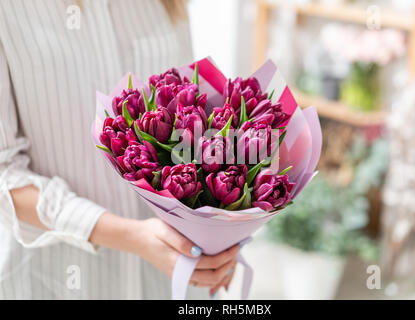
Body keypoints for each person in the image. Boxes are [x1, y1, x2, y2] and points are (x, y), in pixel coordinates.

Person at [0, 0, 238, 299]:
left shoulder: (168, 4)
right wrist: (132, 236)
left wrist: (222, 227)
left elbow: (190, 120)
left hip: (169, 279)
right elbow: (4, 173)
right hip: (56, 279)